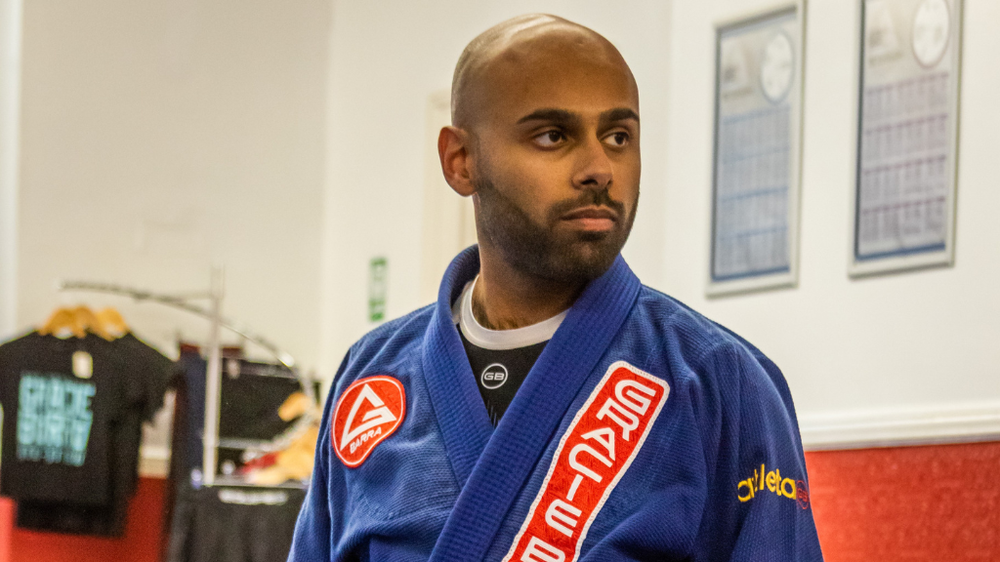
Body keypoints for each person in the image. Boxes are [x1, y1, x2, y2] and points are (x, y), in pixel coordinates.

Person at [288, 13, 823, 562]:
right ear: (460, 160)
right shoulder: (372, 378)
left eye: (618, 136)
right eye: (552, 136)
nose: (599, 168)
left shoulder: (716, 381)